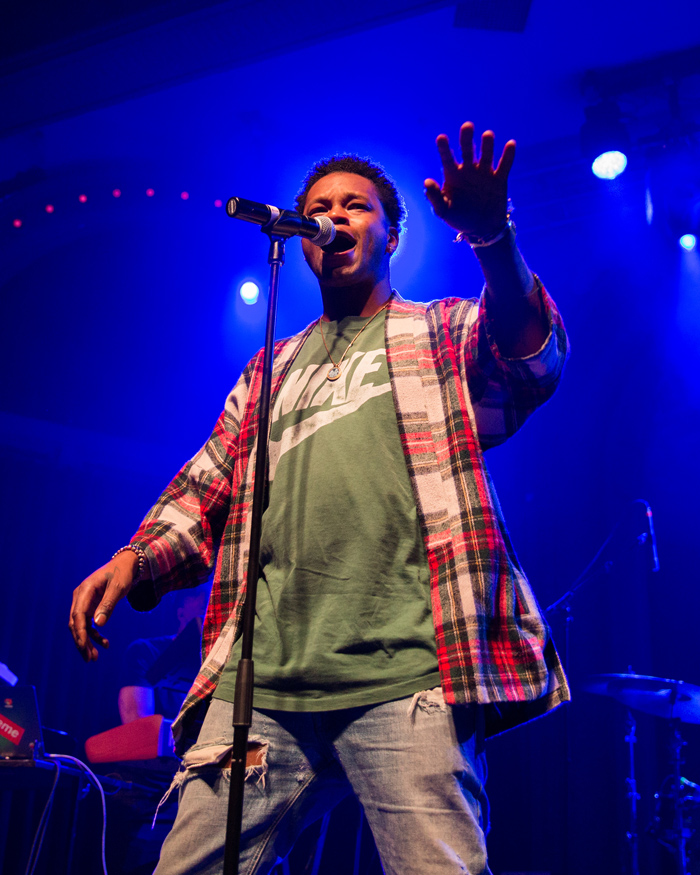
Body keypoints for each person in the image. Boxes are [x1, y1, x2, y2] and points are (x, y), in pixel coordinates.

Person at [70, 122, 571, 875]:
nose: (334, 216)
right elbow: (205, 487)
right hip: (260, 690)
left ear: (391, 235)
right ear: (301, 235)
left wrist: (493, 237)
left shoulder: (438, 332)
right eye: (321, 206)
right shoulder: (269, 368)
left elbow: (533, 361)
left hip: (407, 679)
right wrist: (133, 559)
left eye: (356, 205)